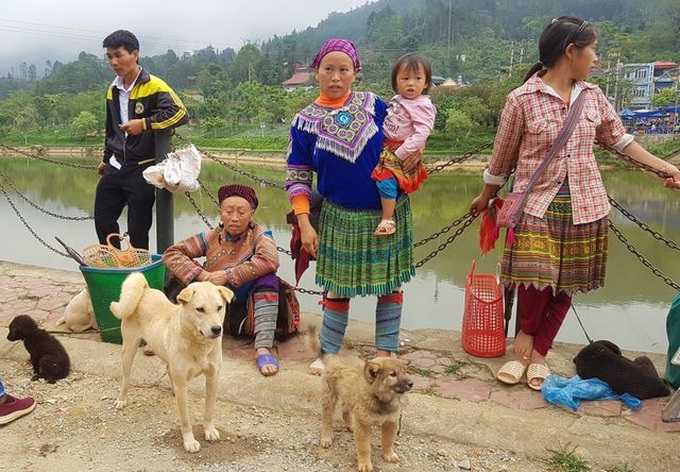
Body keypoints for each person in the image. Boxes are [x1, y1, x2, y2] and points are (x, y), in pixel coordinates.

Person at [469, 16, 680, 391]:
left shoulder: (593, 97)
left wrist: (664, 167)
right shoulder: (521, 100)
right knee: (536, 280)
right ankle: (524, 342)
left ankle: (538, 354)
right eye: (593, 50)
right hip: (537, 205)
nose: (595, 58)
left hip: (587, 205)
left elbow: (619, 140)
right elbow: (501, 158)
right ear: (571, 52)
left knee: (567, 283)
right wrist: (486, 196)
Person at [286, 38, 422, 375]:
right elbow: (298, 177)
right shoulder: (304, 122)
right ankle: (329, 352)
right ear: (316, 71)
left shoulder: (375, 104)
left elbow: (405, 133)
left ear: (355, 72)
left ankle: (385, 352)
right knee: (337, 286)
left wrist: (415, 152)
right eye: (328, 69)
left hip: (387, 213)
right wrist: (305, 223)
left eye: (343, 69)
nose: (335, 77)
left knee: (389, 283)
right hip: (339, 215)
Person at [162, 184, 282, 376]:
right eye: (228, 211)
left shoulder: (260, 235)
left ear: (251, 214)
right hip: (209, 312)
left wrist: (227, 275)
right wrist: (201, 276)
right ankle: (170, 334)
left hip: (245, 310)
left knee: (268, 279)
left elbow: (270, 260)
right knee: (185, 272)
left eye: (241, 212)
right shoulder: (211, 236)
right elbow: (171, 254)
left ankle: (263, 347)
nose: (234, 218)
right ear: (220, 213)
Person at [95, 29, 189, 250]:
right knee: (103, 218)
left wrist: (145, 124)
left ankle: (139, 276)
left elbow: (180, 113)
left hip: (143, 169)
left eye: (118, 55)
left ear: (134, 54)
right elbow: (111, 130)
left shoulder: (154, 85)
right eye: (109, 57)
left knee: (138, 229)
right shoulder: (113, 89)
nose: (113, 62)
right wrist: (106, 158)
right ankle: (117, 264)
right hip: (117, 165)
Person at [371, 52, 435, 236]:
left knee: (385, 181)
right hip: (387, 146)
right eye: (405, 78)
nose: (411, 83)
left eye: (417, 78)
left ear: (426, 83)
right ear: (396, 82)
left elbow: (423, 131)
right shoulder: (398, 100)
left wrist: (402, 152)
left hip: (400, 149)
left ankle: (388, 219)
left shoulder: (422, 105)